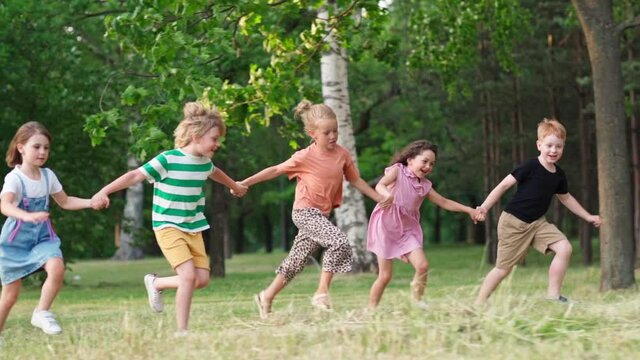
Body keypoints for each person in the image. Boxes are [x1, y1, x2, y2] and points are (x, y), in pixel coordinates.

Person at [92, 102, 247, 335]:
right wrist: (105, 190)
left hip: (193, 226)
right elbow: (135, 174)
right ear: (196, 135)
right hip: (167, 225)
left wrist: (234, 186)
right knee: (187, 277)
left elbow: (217, 174)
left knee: (202, 279)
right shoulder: (168, 160)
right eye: (214, 138)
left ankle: (156, 283)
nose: (217, 144)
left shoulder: (205, 163)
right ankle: (182, 330)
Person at [245, 100, 391, 319]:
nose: (332, 136)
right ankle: (321, 293)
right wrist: (245, 183)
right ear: (313, 134)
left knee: (296, 261)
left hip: (321, 215)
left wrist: (379, 198)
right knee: (339, 241)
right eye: (326, 133)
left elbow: (356, 180)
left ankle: (266, 296)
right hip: (304, 212)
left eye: (335, 131)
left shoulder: (342, 155)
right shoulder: (304, 156)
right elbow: (275, 169)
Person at [474, 118, 601, 305]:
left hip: (537, 223)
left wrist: (588, 216)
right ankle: (479, 303)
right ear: (539, 145)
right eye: (549, 145)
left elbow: (566, 198)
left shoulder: (558, 174)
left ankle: (553, 296)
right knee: (504, 269)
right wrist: (484, 207)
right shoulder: (530, 166)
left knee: (564, 248)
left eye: (559, 146)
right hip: (513, 222)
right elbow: (503, 186)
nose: (553, 150)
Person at [0, 121, 101, 336]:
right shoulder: (14, 178)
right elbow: (5, 205)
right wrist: (26, 215)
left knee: (57, 266)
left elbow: (65, 202)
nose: (42, 152)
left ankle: (41, 312)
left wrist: (90, 202)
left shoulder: (48, 176)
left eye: (46, 147)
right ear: (21, 147)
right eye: (36, 146)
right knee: (9, 298)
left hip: (43, 238)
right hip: (15, 242)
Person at [366, 140, 481, 309]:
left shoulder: (425, 186)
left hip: (407, 229)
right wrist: (387, 196)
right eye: (425, 161)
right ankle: (371, 310)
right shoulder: (398, 172)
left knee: (423, 266)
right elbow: (380, 185)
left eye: (432, 164)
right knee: (385, 276)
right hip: (385, 226)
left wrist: (469, 210)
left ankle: (417, 301)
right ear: (410, 159)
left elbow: (444, 202)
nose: (428, 166)